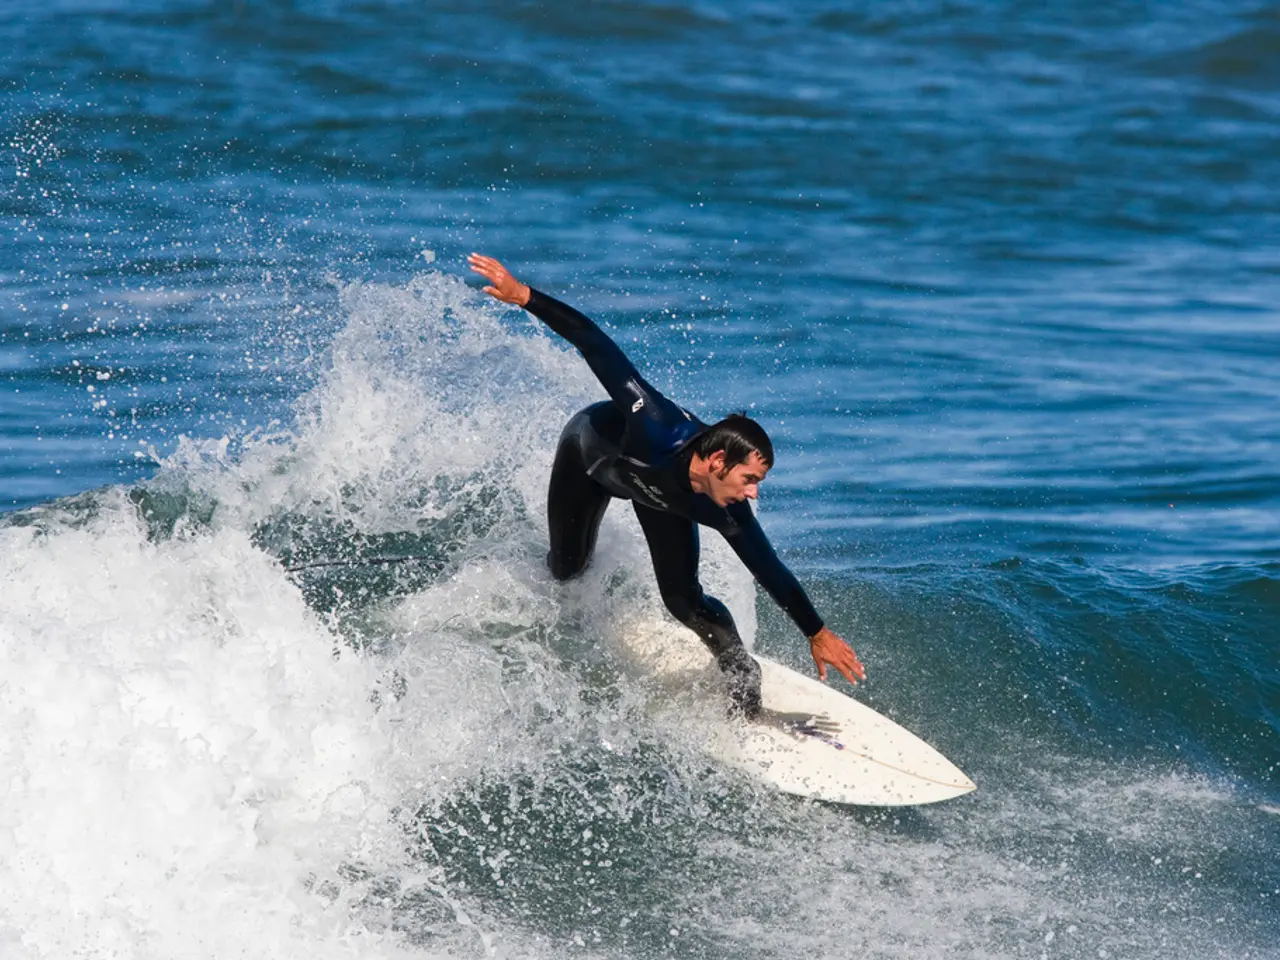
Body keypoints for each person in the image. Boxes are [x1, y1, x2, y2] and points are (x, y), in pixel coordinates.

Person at [467, 253, 866, 719]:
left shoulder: (726, 507)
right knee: (566, 569)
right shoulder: (654, 423)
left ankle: (741, 675)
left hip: (658, 495)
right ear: (718, 460)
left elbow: (768, 567)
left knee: (684, 601)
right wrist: (524, 297)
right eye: (750, 478)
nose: (754, 492)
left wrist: (816, 632)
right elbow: (594, 343)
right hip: (589, 461)